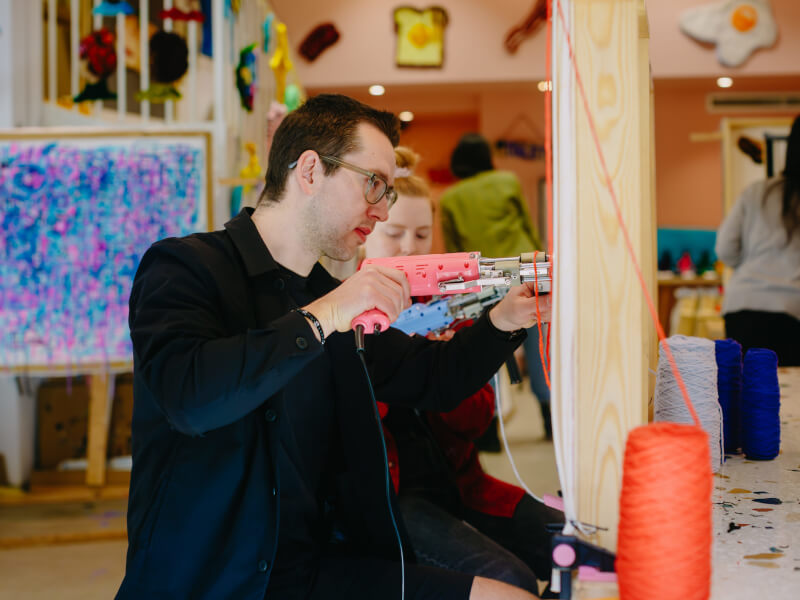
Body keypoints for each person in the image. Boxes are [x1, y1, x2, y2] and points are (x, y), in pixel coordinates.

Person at [117, 94, 550, 600]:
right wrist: (323, 318)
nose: (383, 209)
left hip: (312, 570)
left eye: (387, 191)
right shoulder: (185, 266)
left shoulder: (331, 296)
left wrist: (506, 318)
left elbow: (432, 378)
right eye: (374, 184)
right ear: (309, 171)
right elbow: (189, 398)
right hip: (208, 576)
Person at [363, 147, 563, 596]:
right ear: (365, 233)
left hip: (461, 487)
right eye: (394, 233)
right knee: (508, 580)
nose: (409, 248)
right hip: (394, 503)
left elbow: (474, 421)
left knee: (574, 540)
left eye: (421, 234)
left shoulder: (449, 309)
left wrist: (452, 360)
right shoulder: (350, 312)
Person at [440, 133, 552, 439]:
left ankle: (488, 431)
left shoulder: (451, 198)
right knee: (538, 348)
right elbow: (528, 227)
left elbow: (455, 252)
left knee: (484, 348)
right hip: (525, 271)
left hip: (484, 279)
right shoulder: (507, 181)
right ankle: (550, 423)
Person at [716, 115, 800, 366]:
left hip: (743, 305)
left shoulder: (757, 192)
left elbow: (725, 250)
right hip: (792, 310)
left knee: (747, 392)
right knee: (789, 395)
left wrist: (755, 266)